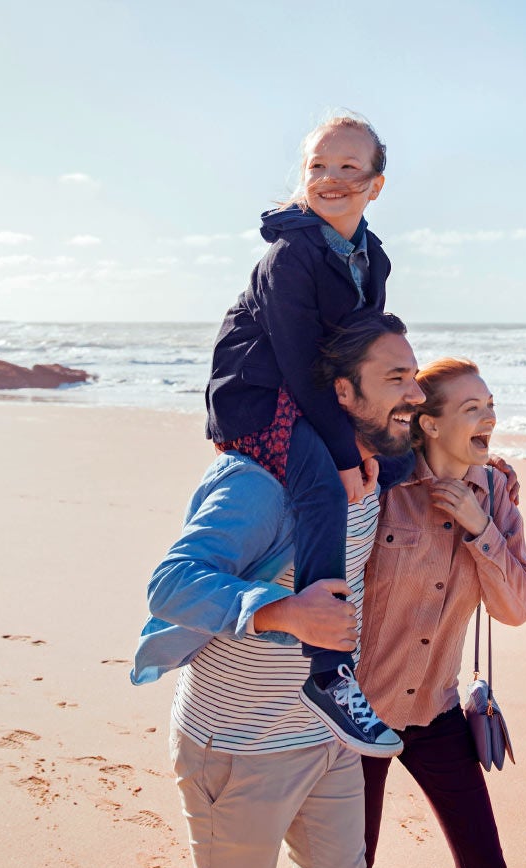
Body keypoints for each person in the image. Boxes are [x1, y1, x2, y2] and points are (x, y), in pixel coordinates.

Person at [132, 314, 425, 868]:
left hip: (324, 735)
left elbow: (437, 449)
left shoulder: (369, 470)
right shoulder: (258, 482)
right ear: (343, 390)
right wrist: (283, 611)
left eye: (414, 376)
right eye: (395, 378)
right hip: (241, 746)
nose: (414, 394)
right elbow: (170, 583)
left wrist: (487, 474)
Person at [204, 111, 400, 754]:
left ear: (375, 184)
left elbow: (361, 351)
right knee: (322, 486)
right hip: (259, 395)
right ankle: (329, 673)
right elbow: (293, 361)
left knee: (402, 458)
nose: (332, 178)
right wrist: (345, 454)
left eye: (349, 167)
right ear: (303, 176)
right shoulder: (290, 254)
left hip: (314, 387)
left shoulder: (374, 258)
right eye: (319, 166)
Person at [356, 358, 526, 868]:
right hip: (358, 717)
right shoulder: (381, 489)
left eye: (490, 407)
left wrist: (480, 525)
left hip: (435, 711)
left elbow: (518, 608)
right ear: (430, 424)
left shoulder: (496, 493)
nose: (489, 419)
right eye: (472, 409)